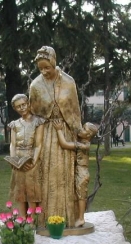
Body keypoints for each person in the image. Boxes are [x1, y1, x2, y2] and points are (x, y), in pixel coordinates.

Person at [29, 46, 82, 227]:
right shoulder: (35, 85)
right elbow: (32, 114)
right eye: (41, 68)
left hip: (65, 132)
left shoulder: (69, 82)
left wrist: (79, 133)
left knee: (64, 175)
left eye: (47, 67)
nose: (44, 71)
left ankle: (67, 216)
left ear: (54, 62)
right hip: (44, 133)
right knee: (46, 175)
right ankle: (45, 218)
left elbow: (74, 109)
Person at [52, 120, 98, 227]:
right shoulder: (82, 141)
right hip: (79, 171)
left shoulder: (84, 145)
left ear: (89, 135)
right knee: (78, 194)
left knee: (81, 195)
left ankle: (81, 218)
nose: (80, 129)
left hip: (82, 173)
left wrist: (58, 130)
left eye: (84, 129)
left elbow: (64, 144)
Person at [7, 94, 45, 217]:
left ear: (28, 103)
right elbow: (12, 144)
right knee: (20, 192)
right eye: (18, 107)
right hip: (18, 160)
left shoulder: (38, 121)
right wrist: (14, 160)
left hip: (31, 159)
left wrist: (33, 162)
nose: (22, 108)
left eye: (23, 104)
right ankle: (22, 219)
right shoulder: (14, 124)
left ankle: (32, 219)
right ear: (15, 109)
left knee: (31, 191)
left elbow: (38, 144)